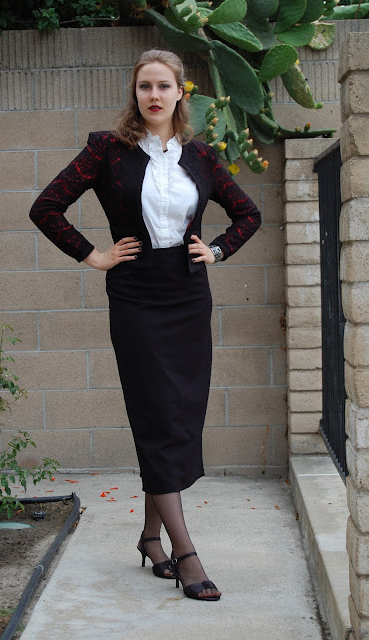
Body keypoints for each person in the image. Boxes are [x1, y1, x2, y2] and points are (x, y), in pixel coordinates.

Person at [30, 49, 261, 602]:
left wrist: (217, 250)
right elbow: (46, 207)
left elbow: (248, 213)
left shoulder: (201, 156)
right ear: (135, 94)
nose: (153, 95)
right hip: (135, 297)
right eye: (144, 87)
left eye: (163, 86)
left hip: (188, 296)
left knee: (180, 416)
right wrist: (94, 255)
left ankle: (150, 538)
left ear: (181, 92)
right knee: (155, 415)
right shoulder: (106, 151)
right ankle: (186, 553)